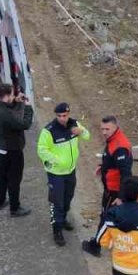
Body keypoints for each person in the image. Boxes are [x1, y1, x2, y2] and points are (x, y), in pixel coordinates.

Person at [38, 102, 91, 246]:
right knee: (57, 202)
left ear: (69, 114)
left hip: (70, 171)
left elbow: (87, 136)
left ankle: (64, 218)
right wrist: (57, 161)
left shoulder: (74, 124)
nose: (62, 118)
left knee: (68, 196)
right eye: (59, 116)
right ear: (56, 115)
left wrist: (81, 132)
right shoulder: (49, 131)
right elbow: (42, 150)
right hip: (56, 173)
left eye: (65, 115)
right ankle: (57, 230)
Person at [82, 115, 131, 256]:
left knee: (106, 218)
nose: (104, 132)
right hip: (112, 189)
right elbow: (112, 160)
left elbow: (126, 174)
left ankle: (95, 245)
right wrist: (103, 167)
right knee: (116, 217)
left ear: (116, 127)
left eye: (107, 129)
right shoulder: (113, 139)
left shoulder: (120, 146)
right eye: (102, 129)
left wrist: (121, 197)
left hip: (114, 191)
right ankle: (119, 243)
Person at [0, 84, 34, 218]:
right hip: (11, 151)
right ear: (6, 96)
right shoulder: (5, 114)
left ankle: (0, 201)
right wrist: (28, 106)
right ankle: (15, 208)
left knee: (1, 176)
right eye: (12, 95)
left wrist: (15, 101)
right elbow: (24, 124)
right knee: (14, 179)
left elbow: (7, 109)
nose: (14, 96)